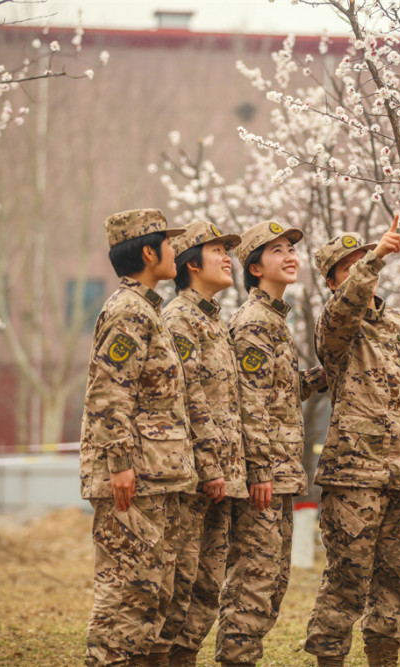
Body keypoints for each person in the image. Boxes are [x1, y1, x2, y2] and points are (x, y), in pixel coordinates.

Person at [304, 216, 400, 667]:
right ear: (330, 283)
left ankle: (383, 658)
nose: (363, 265)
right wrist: (378, 258)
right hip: (355, 475)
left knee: (396, 584)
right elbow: (345, 309)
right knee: (347, 581)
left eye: (363, 257)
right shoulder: (337, 328)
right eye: (350, 265)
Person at [79, 208, 198, 667]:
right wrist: (120, 464)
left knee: (150, 597)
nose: (175, 250)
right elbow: (109, 393)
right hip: (134, 479)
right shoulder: (129, 311)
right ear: (149, 252)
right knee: (125, 599)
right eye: (169, 244)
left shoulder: (147, 309)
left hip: (155, 478)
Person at [216, 220, 326, 667]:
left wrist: (321, 377)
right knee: (253, 584)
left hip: (279, 474)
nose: (289, 256)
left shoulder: (275, 321)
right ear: (254, 267)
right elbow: (248, 403)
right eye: (276, 250)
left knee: (272, 581)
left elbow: (277, 392)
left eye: (291, 249)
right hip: (264, 476)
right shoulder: (254, 323)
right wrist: (259, 470)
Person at [159, 221, 246, 667]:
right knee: (181, 582)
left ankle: (183, 658)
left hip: (223, 480)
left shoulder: (216, 323)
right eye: (217, 250)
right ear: (191, 263)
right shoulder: (179, 319)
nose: (228, 257)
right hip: (197, 480)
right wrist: (211, 467)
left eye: (228, 250)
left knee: (208, 588)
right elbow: (186, 397)